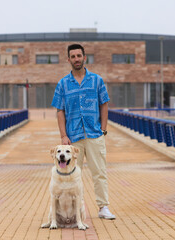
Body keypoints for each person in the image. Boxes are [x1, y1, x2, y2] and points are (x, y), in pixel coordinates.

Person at [51, 43, 115, 220]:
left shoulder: (97, 80)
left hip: (94, 134)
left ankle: (103, 207)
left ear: (84, 57)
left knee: (99, 172)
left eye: (79, 56)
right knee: (70, 177)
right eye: (73, 56)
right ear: (68, 59)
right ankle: (72, 212)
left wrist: (103, 129)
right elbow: (59, 111)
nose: (76, 59)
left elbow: (104, 103)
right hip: (73, 138)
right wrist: (63, 135)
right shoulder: (63, 84)